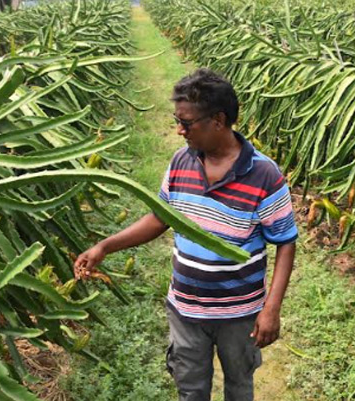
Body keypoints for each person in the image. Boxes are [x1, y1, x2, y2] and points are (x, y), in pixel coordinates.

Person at [74, 68, 298, 401]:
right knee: (190, 389)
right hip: (185, 307)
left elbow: (285, 242)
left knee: (239, 386)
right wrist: (105, 246)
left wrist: (272, 308)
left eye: (187, 123)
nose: (179, 130)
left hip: (238, 313)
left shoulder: (263, 174)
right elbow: (160, 218)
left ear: (218, 120)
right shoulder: (182, 160)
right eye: (176, 121)